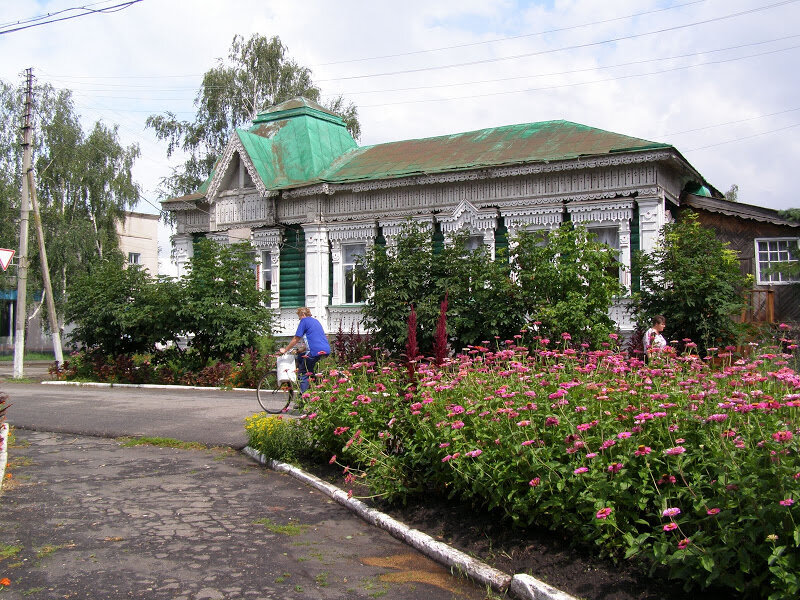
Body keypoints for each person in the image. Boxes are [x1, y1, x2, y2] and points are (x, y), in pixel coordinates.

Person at [279, 307, 331, 393]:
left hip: (314, 351)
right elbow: (313, 340)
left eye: (299, 317)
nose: (299, 319)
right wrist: (301, 350)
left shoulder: (304, 321)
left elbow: (296, 338)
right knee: (302, 359)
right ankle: (316, 385)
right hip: (325, 349)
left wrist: (285, 350)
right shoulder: (316, 321)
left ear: (303, 314)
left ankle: (303, 401)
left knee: (303, 373)